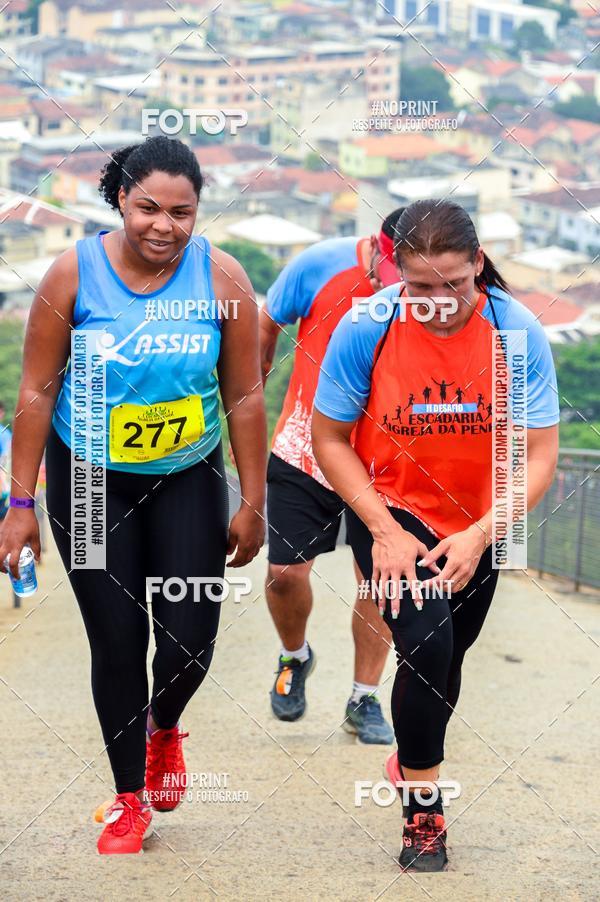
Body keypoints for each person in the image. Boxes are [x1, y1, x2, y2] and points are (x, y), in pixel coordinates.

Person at [0, 136, 266, 854]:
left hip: (187, 474)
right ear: (121, 198)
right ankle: (128, 799)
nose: (164, 226)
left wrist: (253, 499)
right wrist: (20, 507)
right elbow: (36, 390)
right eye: (148, 208)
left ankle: (163, 727)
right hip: (89, 479)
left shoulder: (222, 277)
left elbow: (244, 395)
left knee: (190, 643)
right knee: (117, 640)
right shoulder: (73, 274)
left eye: (182, 212)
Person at [312, 199, 559, 871]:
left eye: (453, 284)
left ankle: (410, 757)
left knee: (449, 661)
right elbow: (329, 438)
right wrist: (382, 531)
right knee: (426, 646)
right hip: (392, 512)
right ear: (398, 273)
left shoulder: (515, 330)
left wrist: (482, 534)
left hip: (479, 520)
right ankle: (424, 812)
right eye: (420, 287)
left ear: (478, 264)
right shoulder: (368, 324)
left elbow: (540, 454)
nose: (437, 303)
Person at [259, 210, 405, 743]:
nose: (404, 288)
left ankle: (364, 698)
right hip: (305, 446)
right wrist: (255, 390)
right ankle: (294, 656)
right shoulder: (318, 264)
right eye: (397, 274)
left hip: (384, 461)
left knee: (381, 580)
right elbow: (266, 322)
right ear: (377, 249)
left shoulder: (435, 290)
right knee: (284, 573)